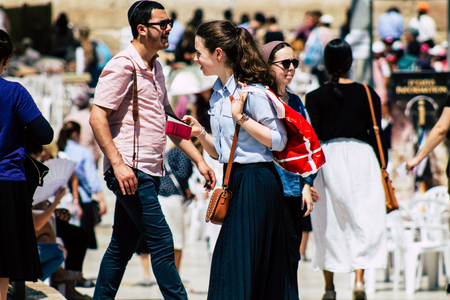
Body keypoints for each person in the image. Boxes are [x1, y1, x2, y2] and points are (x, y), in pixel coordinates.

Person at [89, 1, 216, 299]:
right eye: (162, 24)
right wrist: (118, 165)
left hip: (148, 169)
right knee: (162, 241)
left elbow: (169, 122)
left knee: (121, 246)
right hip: (131, 170)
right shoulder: (123, 65)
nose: (169, 28)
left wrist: (199, 160)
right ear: (142, 29)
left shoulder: (156, 67)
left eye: (169, 22)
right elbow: (97, 117)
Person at [183, 19, 300, 299]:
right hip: (234, 180)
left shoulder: (253, 92)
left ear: (219, 54)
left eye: (200, 52)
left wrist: (241, 118)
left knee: (245, 264)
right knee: (232, 265)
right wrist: (199, 133)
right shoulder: (218, 95)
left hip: (257, 184)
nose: (195, 58)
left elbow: (279, 139)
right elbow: (222, 152)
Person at [305, 39, 387, 300]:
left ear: (326, 64)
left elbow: (312, 137)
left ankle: (329, 287)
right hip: (363, 157)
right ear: (351, 62)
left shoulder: (315, 97)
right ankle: (359, 280)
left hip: (327, 159)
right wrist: (383, 166)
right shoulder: (367, 93)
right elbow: (377, 136)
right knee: (361, 217)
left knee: (328, 220)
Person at [0, 29, 54, 300]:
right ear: (6, 59)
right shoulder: (15, 92)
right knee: (3, 259)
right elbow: (45, 135)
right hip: (7, 183)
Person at [259, 40, 315, 287]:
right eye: (285, 63)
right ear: (266, 66)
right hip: (265, 187)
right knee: (268, 258)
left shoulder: (296, 102)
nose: (291, 68)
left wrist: (306, 183)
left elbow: (306, 147)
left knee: (292, 256)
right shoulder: (259, 99)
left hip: (292, 190)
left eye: (295, 62)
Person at [57, 121, 107, 250]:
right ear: (75, 134)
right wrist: (101, 199)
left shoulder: (59, 150)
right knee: (82, 242)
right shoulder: (83, 152)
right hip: (82, 199)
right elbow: (91, 178)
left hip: (60, 201)